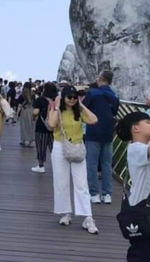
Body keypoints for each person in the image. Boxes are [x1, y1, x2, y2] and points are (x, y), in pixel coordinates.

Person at [48, 86, 99, 234]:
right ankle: (65, 212)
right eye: (69, 96)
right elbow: (51, 125)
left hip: (77, 148)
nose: (72, 99)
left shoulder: (79, 111)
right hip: (59, 146)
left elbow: (94, 120)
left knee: (81, 183)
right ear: (63, 97)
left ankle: (87, 217)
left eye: (74, 97)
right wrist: (57, 106)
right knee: (61, 182)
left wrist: (81, 105)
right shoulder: (57, 111)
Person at [115, 112, 150, 261]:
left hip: (143, 208)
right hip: (142, 211)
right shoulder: (136, 148)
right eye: (148, 122)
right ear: (136, 128)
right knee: (142, 251)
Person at [84, 70, 120, 204]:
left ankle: (94, 194)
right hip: (108, 133)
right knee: (106, 164)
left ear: (100, 79)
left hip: (93, 131)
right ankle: (107, 194)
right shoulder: (114, 96)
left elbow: (83, 108)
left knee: (92, 164)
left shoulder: (92, 93)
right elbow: (115, 111)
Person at [32, 82, 58, 173]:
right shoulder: (57, 100)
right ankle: (58, 166)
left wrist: (33, 117)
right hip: (54, 127)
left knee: (41, 147)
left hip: (42, 126)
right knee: (53, 147)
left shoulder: (40, 99)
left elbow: (35, 112)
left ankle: (41, 166)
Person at [17, 82, 35, 147]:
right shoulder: (33, 95)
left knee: (24, 126)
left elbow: (19, 106)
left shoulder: (22, 96)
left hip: (24, 111)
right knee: (30, 126)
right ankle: (31, 140)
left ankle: (23, 140)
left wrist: (17, 114)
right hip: (31, 110)